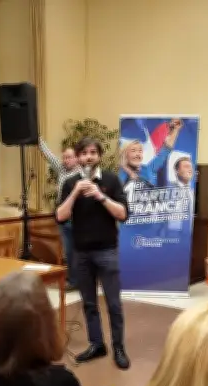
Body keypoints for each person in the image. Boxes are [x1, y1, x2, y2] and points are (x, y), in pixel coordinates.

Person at [56, 137, 131, 369]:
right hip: (81, 254)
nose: (88, 157)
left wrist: (100, 196)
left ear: (99, 156)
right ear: (78, 157)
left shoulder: (111, 179)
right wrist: (75, 192)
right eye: (84, 153)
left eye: (92, 153)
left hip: (107, 251)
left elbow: (123, 214)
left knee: (113, 304)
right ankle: (97, 344)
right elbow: (60, 216)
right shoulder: (70, 183)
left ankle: (118, 347)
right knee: (89, 303)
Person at [39, 137, 81, 289]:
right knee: (68, 251)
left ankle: (79, 281)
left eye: (69, 157)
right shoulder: (61, 170)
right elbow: (49, 155)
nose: (66, 160)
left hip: (78, 218)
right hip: (63, 218)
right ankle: (72, 280)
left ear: (76, 158)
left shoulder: (82, 173)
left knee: (78, 251)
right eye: (64, 157)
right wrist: (38, 139)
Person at [119, 119, 184, 194]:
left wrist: (175, 130)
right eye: (133, 150)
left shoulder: (148, 169)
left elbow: (166, 150)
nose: (138, 154)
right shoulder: (119, 172)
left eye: (140, 151)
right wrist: (128, 171)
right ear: (125, 154)